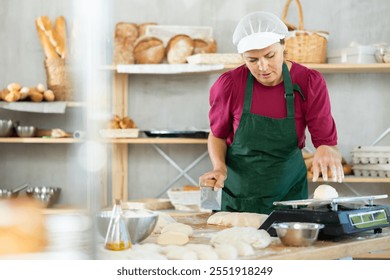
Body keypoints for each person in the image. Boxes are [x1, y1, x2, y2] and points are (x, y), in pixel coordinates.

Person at [198, 11, 344, 214]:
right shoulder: (229, 85)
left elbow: (326, 142)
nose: (263, 67)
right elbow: (217, 135)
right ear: (242, 57)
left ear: (283, 46)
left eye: (270, 55)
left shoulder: (309, 81)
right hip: (237, 196)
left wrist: (327, 148)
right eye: (252, 59)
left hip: (288, 194)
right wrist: (219, 167)